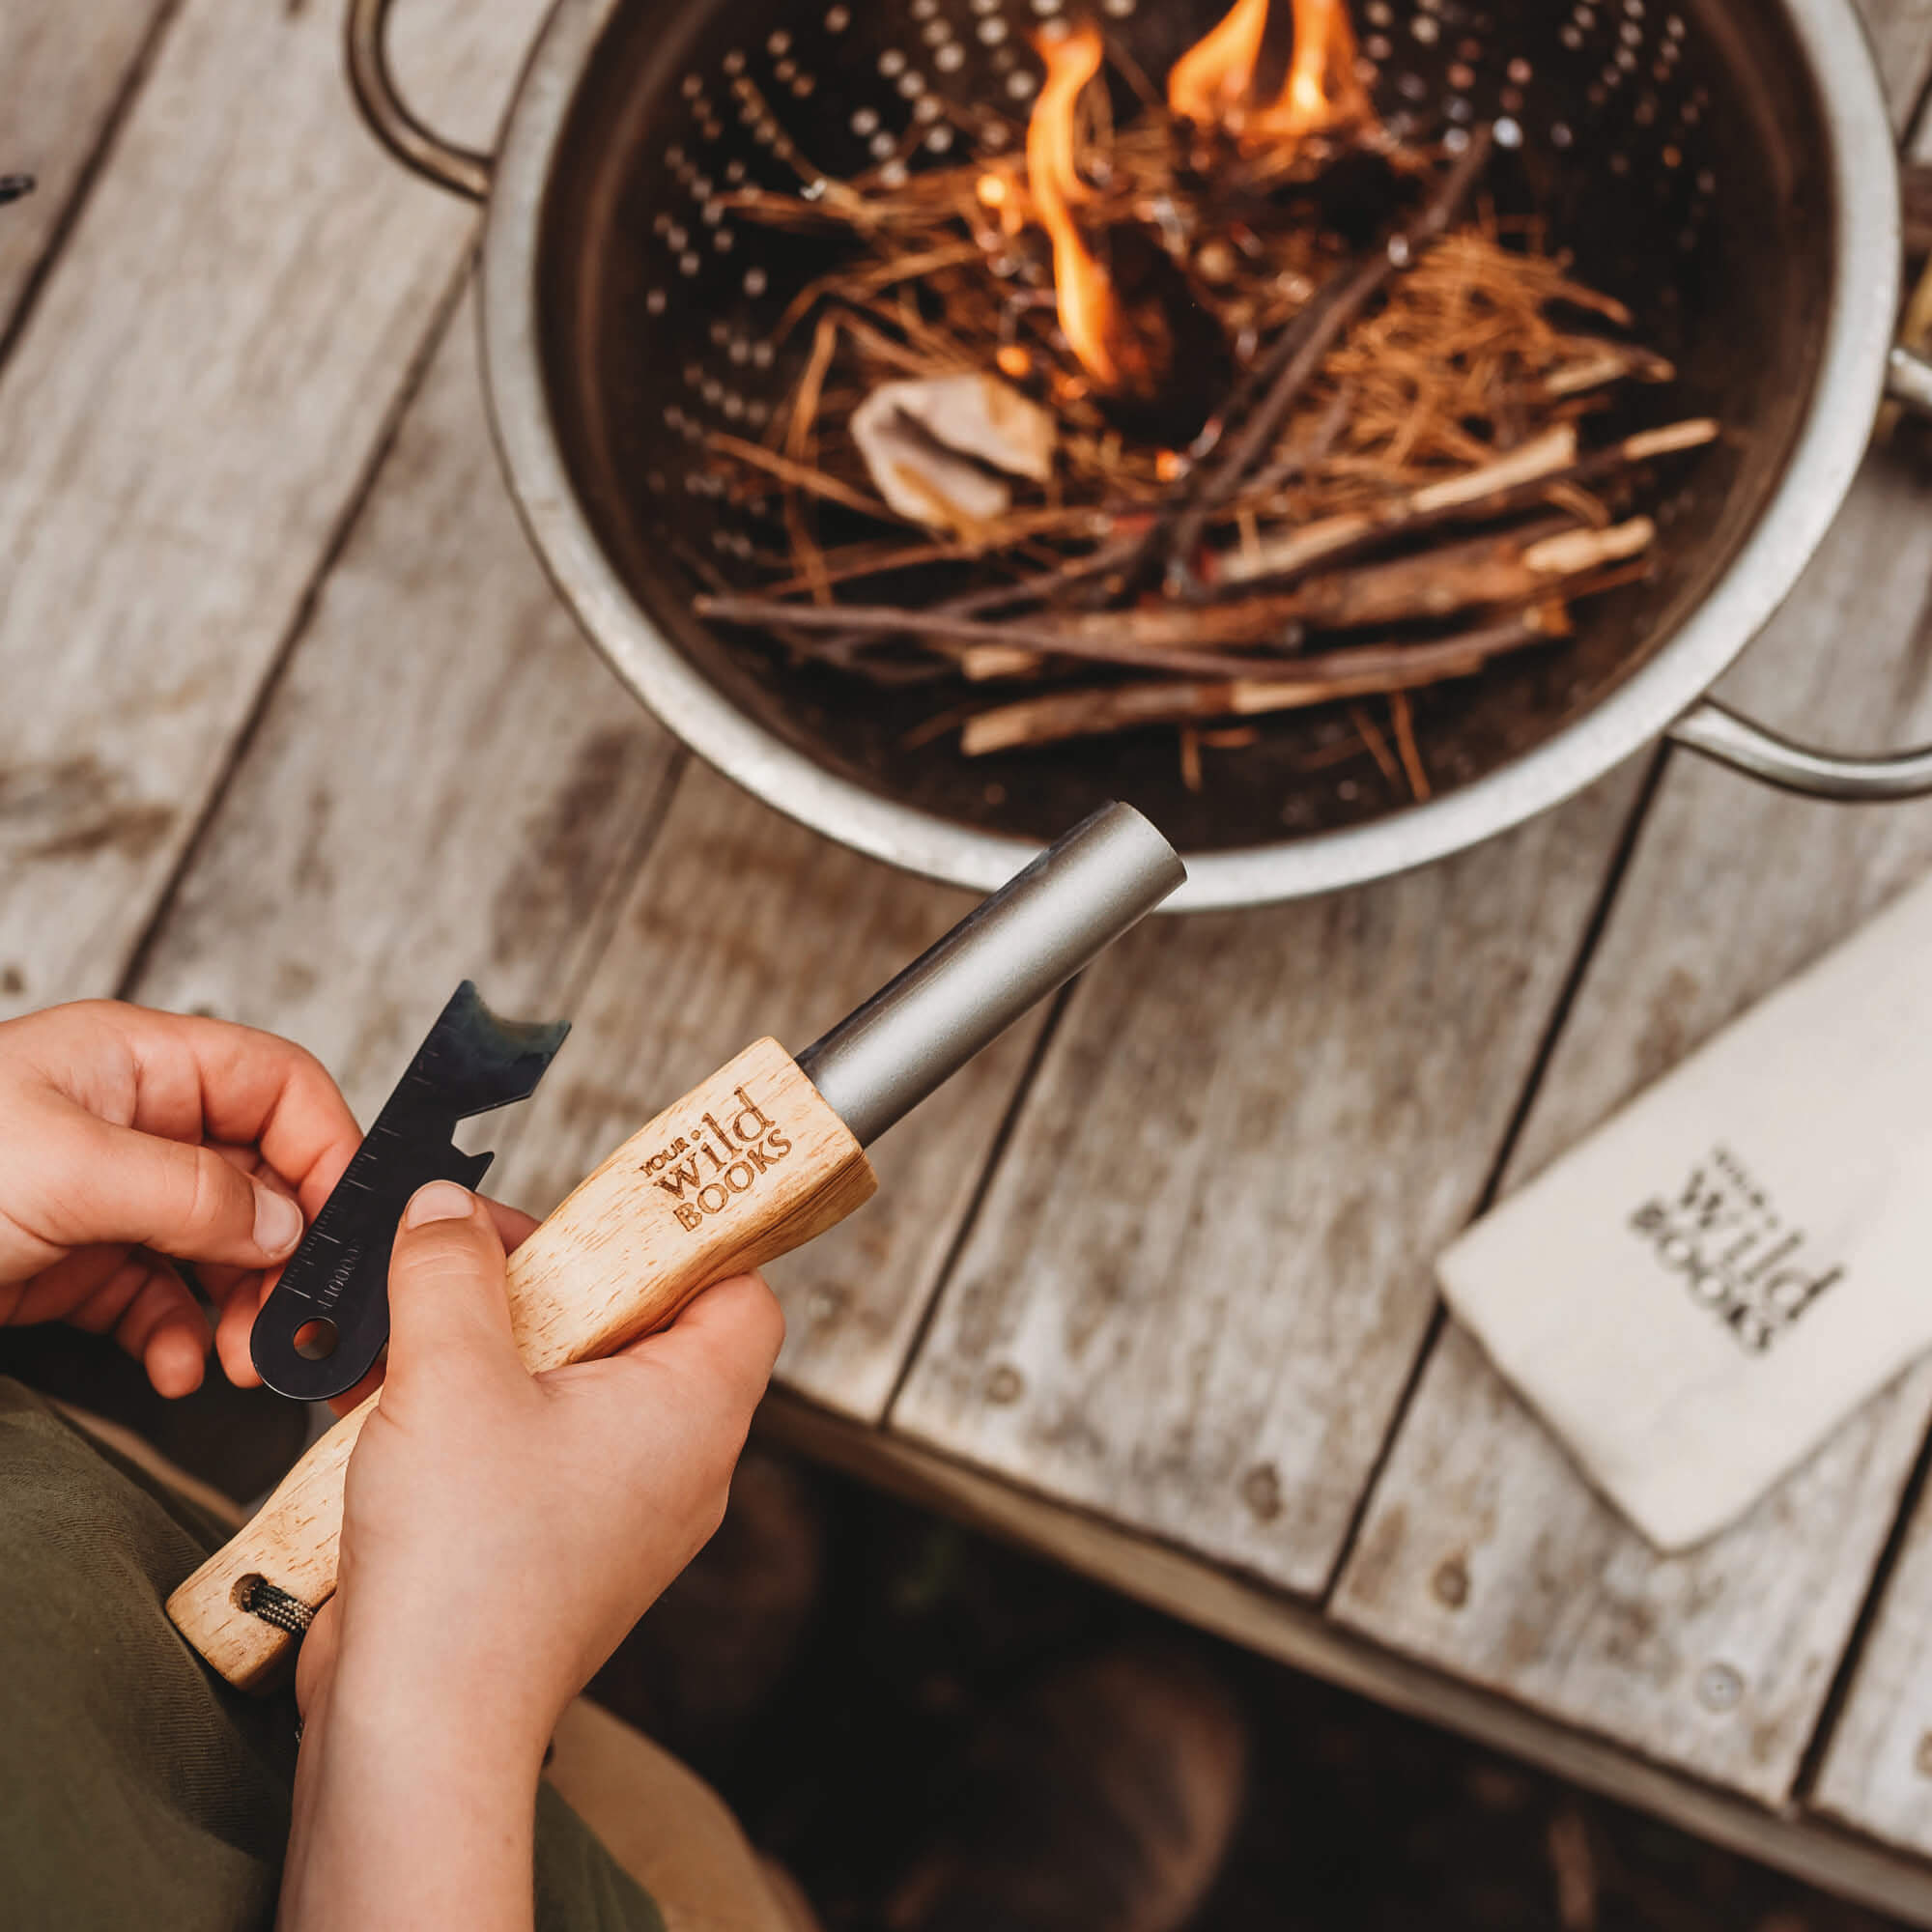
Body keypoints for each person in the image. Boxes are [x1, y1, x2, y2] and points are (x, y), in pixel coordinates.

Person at [0, 999, 1244, 1931]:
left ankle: (598, 1672)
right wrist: (451, 1697)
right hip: (427, 1842)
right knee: (691, 1875)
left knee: (595, 1754)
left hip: (110, 1628)